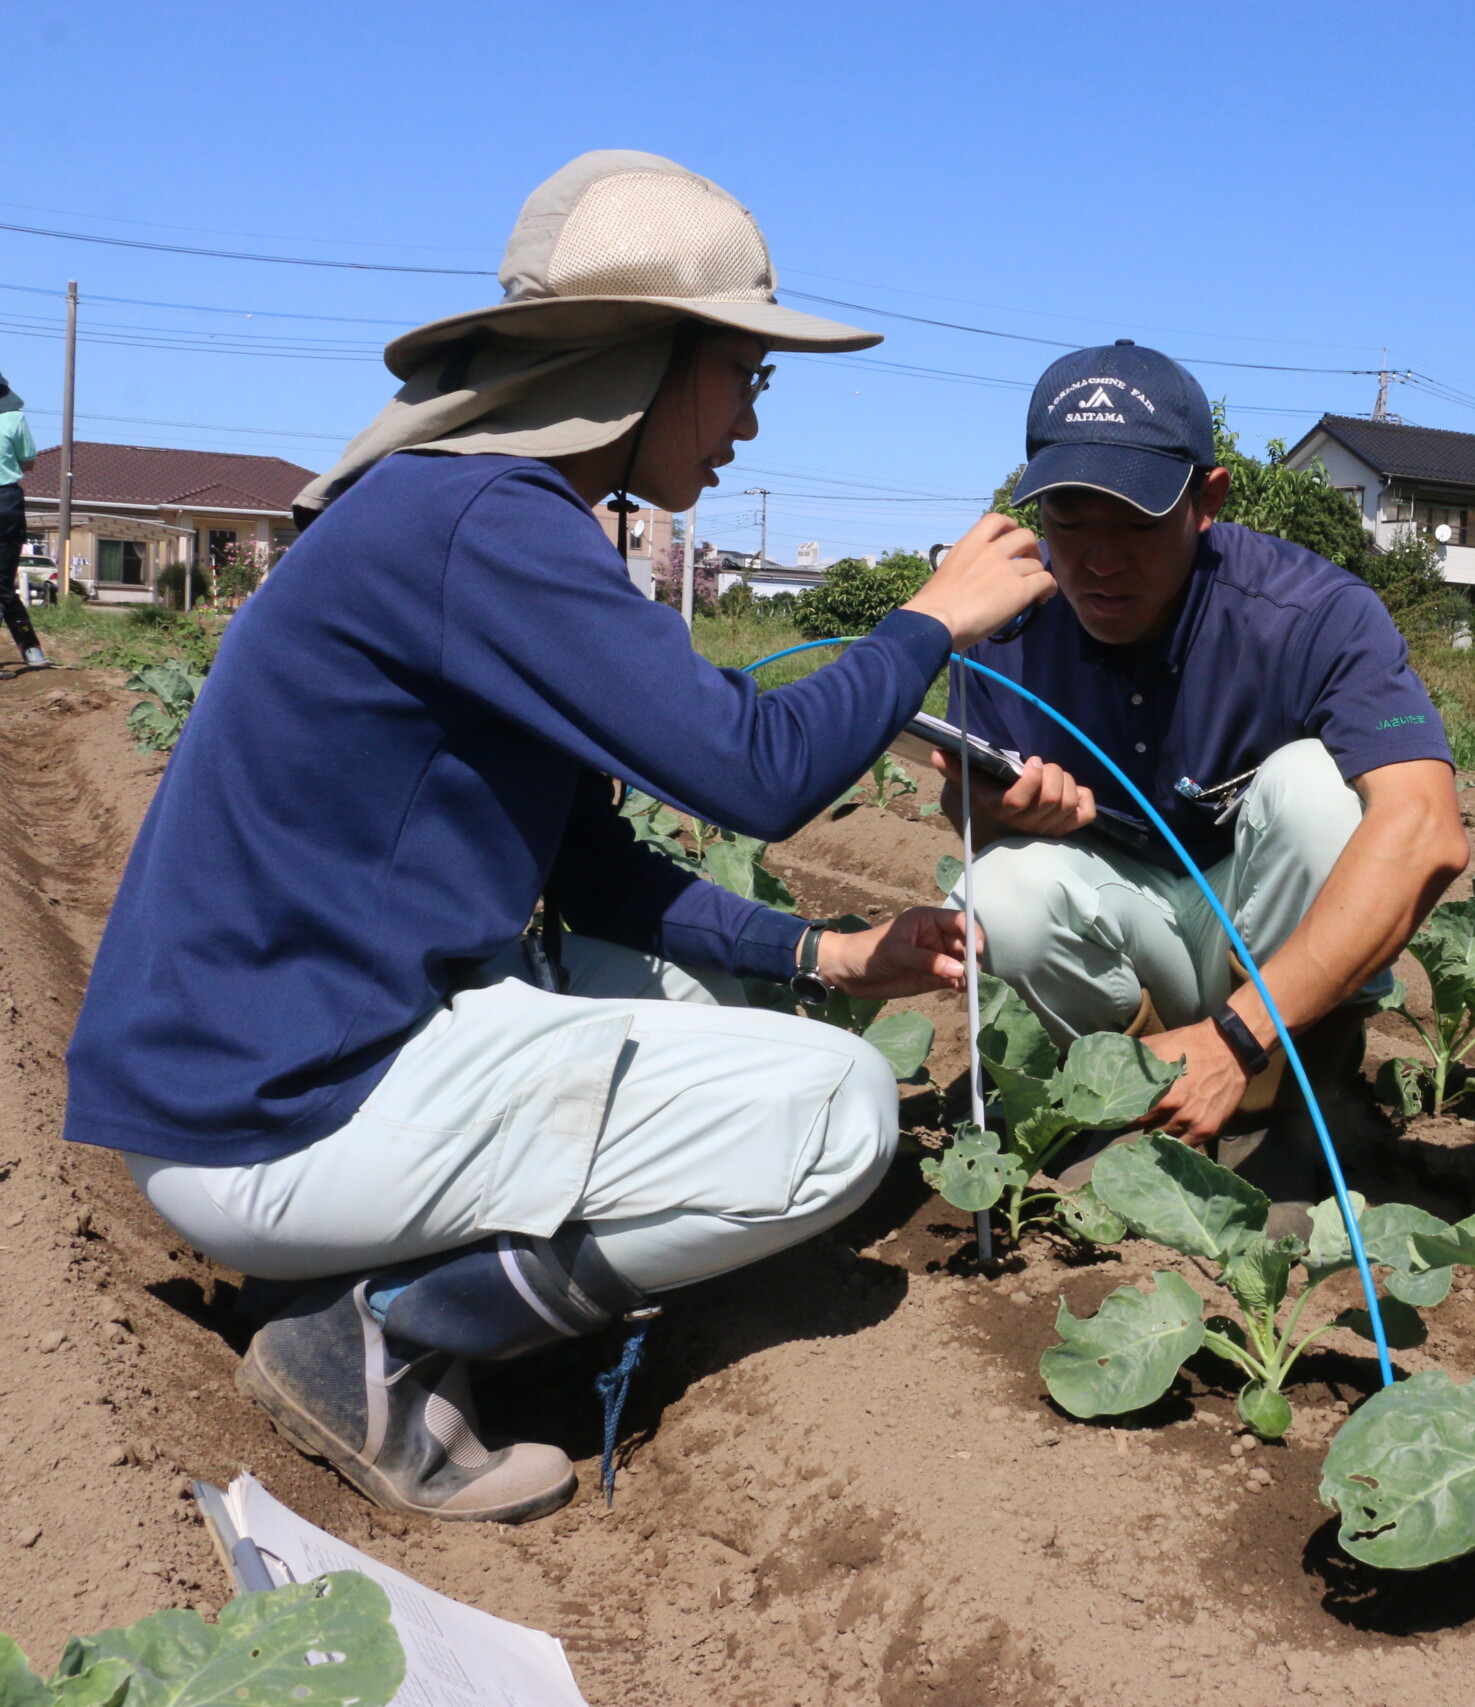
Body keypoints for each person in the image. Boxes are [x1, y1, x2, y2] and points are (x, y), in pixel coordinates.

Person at [65, 151, 1054, 1524]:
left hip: (247, 1083)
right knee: (839, 1109)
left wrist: (823, 953)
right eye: (746, 376)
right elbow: (753, 771)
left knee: (711, 996)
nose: (749, 426)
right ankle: (389, 1333)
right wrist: (930, 620)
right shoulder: (488, 523)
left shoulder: (454, 512)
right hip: (279, 1118)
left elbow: (584, 866)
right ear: (649, 359)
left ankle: (361, 1274)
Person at [938, 341, 1470, 1228]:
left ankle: (1288, 1108)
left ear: (1206, 503)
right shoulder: (1000, 628)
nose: (1100, 559)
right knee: (996, 890)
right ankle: (1132, 1101)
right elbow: (963, 814)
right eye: (1070, 519)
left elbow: (1427, 831)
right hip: (1129, 931)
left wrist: (1238, 1032)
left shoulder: (1313, 611)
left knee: (1317, 792)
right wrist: (993, 811)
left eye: (1137, 523)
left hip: (1267, 950)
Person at [0, 373, 46, 667]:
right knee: (3, 583)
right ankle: (32, 652)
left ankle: (32, 652)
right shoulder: (14, 420)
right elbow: (28, 462)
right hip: (6, 504)